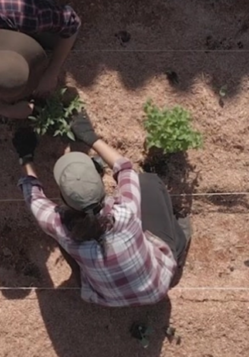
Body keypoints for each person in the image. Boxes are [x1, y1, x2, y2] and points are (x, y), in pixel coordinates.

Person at [12, 112, 192, 307]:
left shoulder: (61, 228)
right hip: (157, 287)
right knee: (147, 182)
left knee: (64, 244)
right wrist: (90, 137)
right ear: (100, 182)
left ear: (63, 198)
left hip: (107, 298)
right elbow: (125, 169)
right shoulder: (126, 211)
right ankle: (178, 240)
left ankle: (94, 277)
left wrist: (25, 156)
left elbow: (34, 197)